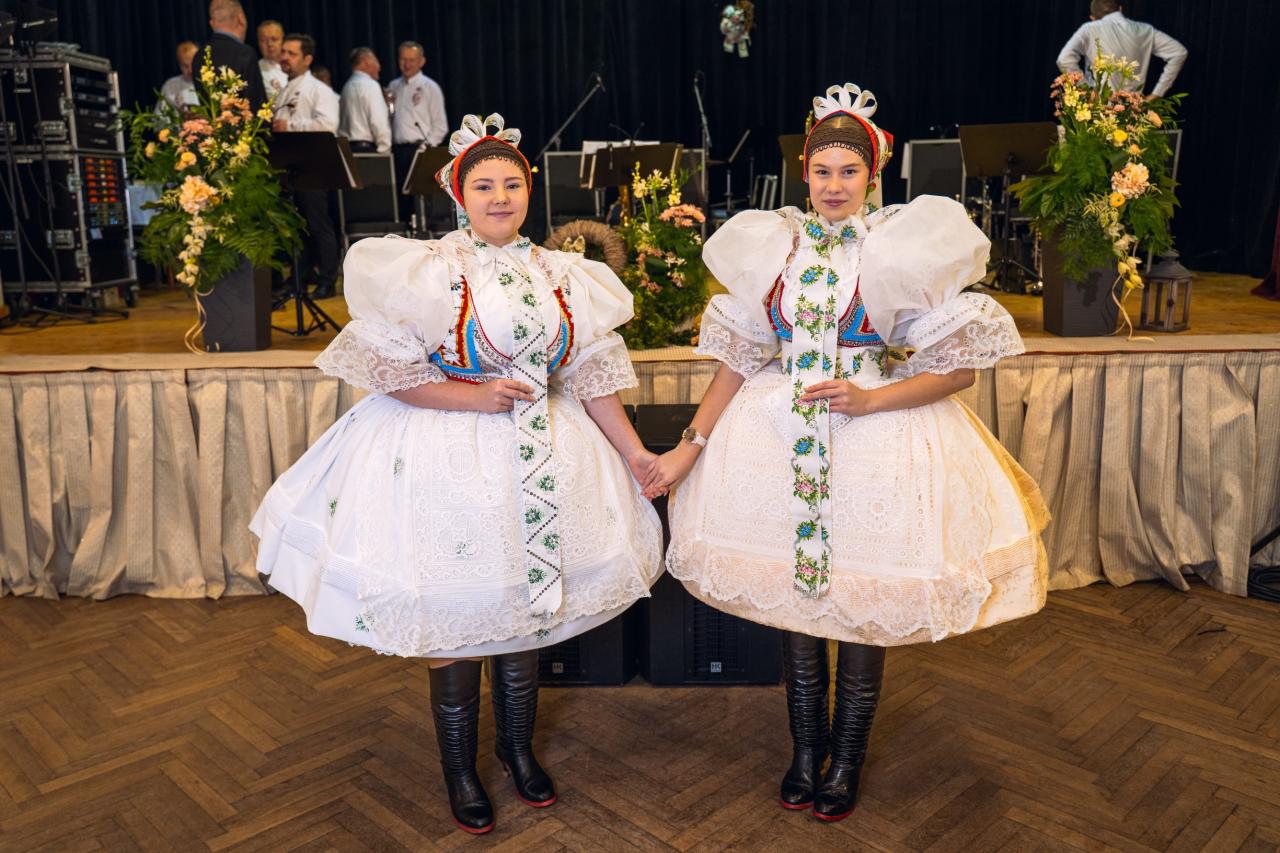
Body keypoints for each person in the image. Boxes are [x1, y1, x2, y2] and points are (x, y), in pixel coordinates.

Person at [250, 112, 664, 834]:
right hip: (447, 455)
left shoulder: (564, 273)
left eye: (512, 184)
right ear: (459, 194)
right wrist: (474, 396)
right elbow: (389, 372)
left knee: (525, 610)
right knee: (455, 611)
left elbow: (591, 376)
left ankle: (516, 749)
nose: (500, 197)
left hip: (544, 452)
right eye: (484, 186)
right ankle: (460, 769)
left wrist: (634, 454)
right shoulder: (427, 269)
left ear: (529, 190)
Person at [648, 83, 1050, 822]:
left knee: (863, 606)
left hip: (874, 440)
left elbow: (956, 370)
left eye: (849, 171)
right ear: (804, 173)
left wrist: (869, 399)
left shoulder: (897, 250)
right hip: (777, 438)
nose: (834, 185)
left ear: (873, 175)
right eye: (822, 170)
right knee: (799, 609)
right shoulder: (773, 248)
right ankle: (805, 751)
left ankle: (846, 759)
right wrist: (690, 446)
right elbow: (738, 362)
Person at [272, 32, 341, 300]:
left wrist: (291, 125)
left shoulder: (318, 90)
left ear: (307, 59)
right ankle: (298, 279)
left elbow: (328, 125)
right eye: (284, 52)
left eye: (291, 53)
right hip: (292, 169)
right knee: (298, 228)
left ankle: (327, 279)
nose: (285, 57)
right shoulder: (284, 88)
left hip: (314, 168)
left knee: (318, 224)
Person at [1057, 0, 1187, 97]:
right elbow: (1179, 52)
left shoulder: (1090, 28)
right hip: (1133, 112)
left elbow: (1064, 60)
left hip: (1097, 109)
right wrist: (1157, 93)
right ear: (1120, 9)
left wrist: (1085, 89)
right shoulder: (1146, 30)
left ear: (1093, 18)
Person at [387, 40, 447, 222]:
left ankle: (425, 231)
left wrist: (426, 148)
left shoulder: (430, 87)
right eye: (403, 59)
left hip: (420, 150)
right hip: (397, 151)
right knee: (401, 199)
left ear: (422, 61)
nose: (407, 64)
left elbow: (440, 125)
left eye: (411, 60)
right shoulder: (393, 86)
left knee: (421, 200)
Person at [194, 0, 266, 113]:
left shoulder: (199, 56)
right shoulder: (244, 53)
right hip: (243, 123)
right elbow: (256, 104)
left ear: (212, 23)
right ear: (241, 19)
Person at [339, 47, 391, 153]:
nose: (379, 67)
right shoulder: (370, 85)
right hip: (365, 150)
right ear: (365, 61)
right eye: (376, 61)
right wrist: (385, 148)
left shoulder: (346, 87)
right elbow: (377, 119)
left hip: (347, 150)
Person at [158, 41, 198, 113]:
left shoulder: (209, 83)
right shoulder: (171, 85)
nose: (190, 70)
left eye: (193, 64)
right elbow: (161, 114)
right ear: (179, 64)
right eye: (185, 66)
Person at [256, 19, 288, 104]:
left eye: (274, 39)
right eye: (263, 40)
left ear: (283, 40)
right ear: (258, 43)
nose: (270, 44)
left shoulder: (295, 65)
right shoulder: (256, 70)